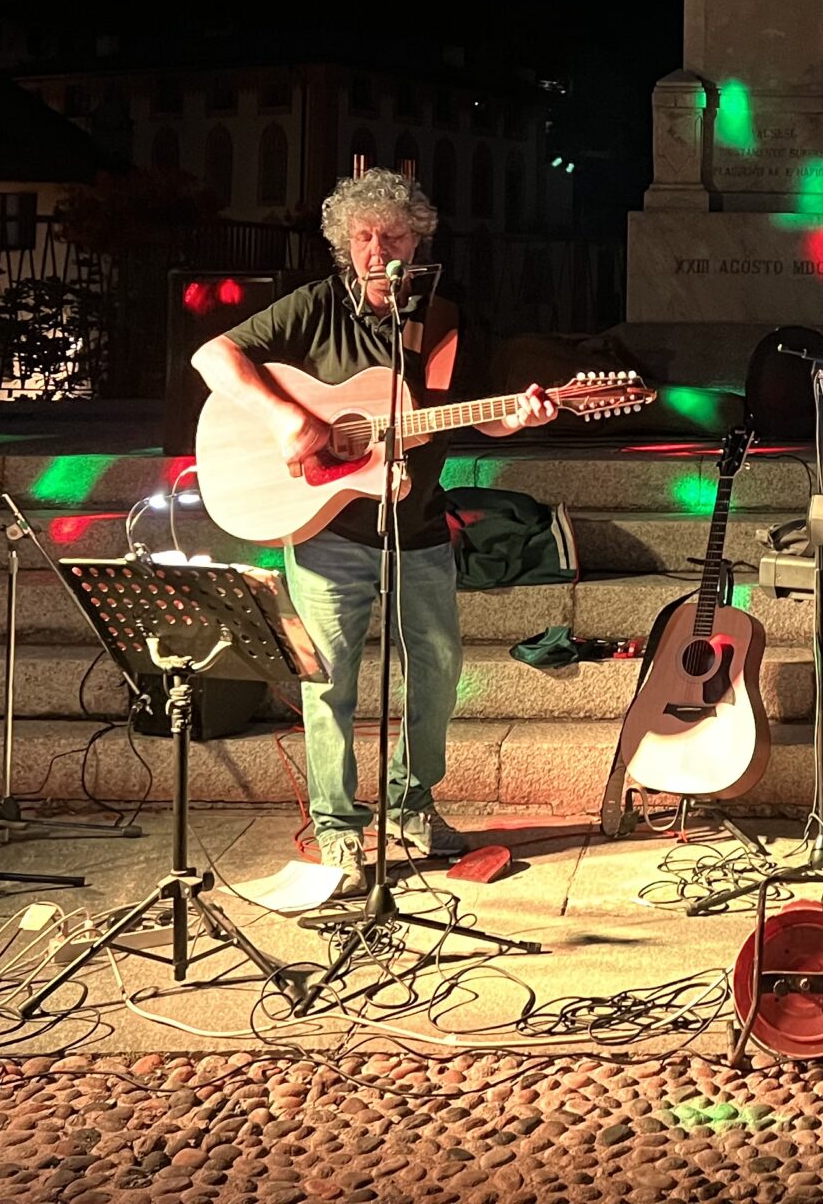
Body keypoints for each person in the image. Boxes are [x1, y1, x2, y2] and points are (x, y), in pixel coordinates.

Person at [189, 169, 556, 892]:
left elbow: (473, 412)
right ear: (344, 243)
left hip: (417, 528)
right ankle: (336, 827)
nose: (375, 250)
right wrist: (288, 417)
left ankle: (411, 805)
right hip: (327, 530)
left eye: (390, 236)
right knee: (330, 681)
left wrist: (515, 416)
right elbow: (212, 357)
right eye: (362, 237)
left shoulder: (444, 322)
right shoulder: (315, 307)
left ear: (417, 242)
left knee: (438, 671)